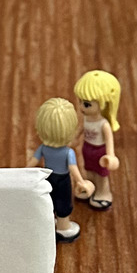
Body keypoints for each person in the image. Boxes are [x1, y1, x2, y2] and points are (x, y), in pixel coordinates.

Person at [33, 98, 93, 241]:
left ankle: (50, 223)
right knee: (63, 203)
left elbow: (33, 161)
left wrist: (23, 172)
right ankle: (63, 227)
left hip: (48, 177)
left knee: (49, 200)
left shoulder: (43, 148)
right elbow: (73, 168)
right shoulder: (68, 152)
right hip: (63, 180)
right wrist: (81, 181)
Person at [74, 69, 121, 212]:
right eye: (80, 102)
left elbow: (109, 141)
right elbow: (80, 130)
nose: (81, 107)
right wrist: (72, 139)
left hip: (100, 152)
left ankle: (103, 193)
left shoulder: (103, 124)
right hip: (87, 148)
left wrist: (110, 155)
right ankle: (91, 188)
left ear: (103, 103)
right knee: (89, 172)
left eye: (86, 104)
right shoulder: (87, 118)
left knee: (101, 175)